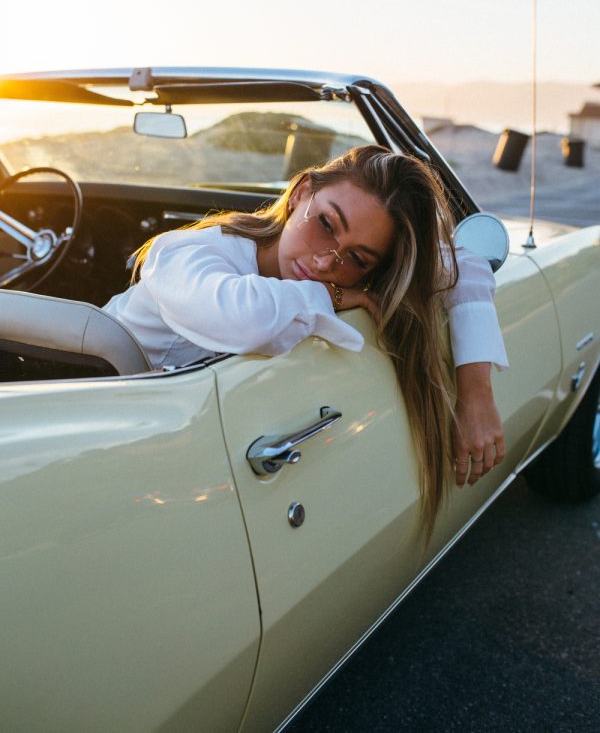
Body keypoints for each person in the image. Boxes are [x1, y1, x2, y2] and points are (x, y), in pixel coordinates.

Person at [104, 145, 507, 539]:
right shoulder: (187, 251)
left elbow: (464, 264)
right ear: (300, 194)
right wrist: (332, 295)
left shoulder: (317, 268)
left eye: (358, 259)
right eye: (326, 224)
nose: (325, 262)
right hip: (103, 427)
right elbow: (246, 318)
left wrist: (476, 395)